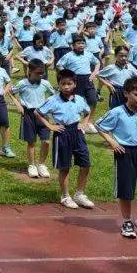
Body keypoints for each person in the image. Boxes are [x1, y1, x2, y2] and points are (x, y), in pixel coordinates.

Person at [95, 78, 137, 241]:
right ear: (126, 93)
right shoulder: (117, 112)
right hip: (125, 153)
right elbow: (99, 125)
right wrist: (112, 141)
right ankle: (126, 221)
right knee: (126, 190)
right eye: (136, 94)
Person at [37, 70, 94, 209]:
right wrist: (50, 125)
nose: (66, 87)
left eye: (69, 84)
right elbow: (38, 112)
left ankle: (79, 194)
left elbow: (87, 112)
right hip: (62, 134)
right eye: (63, 84)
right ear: (59, 85)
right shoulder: (53, 100)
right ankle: (65, 196)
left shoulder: (79, 99)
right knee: (65, 167)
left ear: (75, 84)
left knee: (85, 164)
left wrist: (84, 123)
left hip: (77, 132)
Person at [9, 60, 55, 179]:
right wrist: (18, 104)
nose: (40, 75)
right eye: (38, 73)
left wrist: (49, 107)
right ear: (30, 71)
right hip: (28, 114)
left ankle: (41, 164)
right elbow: (11, 92)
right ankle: (31, 165)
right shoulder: (22, 83)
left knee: (46, 141)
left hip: (43, 114)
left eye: (42, 73)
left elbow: (53, 94)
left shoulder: (45, 83)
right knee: (31, 142)